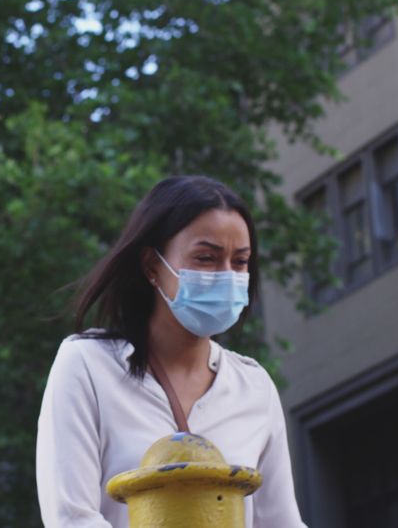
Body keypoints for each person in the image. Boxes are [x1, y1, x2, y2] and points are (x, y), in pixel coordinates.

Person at [35, 176, 307, 528]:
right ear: (151, 266)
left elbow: (281, 522)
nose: (226, 275)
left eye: (239, 262)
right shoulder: (86, 365)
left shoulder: (254, 387)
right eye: (206, 258)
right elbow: (70, 518)